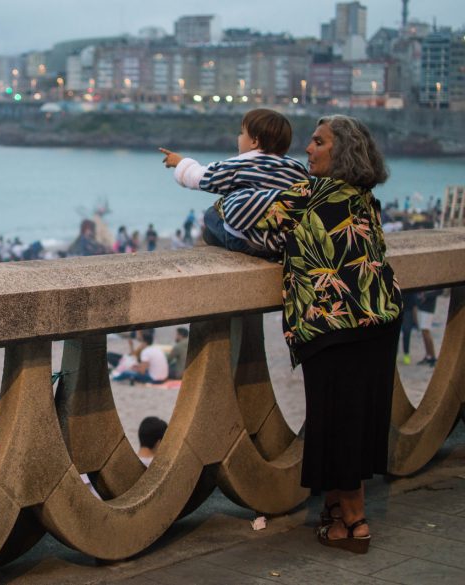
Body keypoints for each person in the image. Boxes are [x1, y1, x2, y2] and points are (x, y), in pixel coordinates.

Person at [228, 115, 402, 554]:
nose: (307, 149)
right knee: (359, 420)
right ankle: (338, 512)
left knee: (334, 420)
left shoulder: (307, 193)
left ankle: (356, 520)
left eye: (317, 142)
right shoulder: (365, 197)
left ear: (339, 151)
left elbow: (240, 217)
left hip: (330, 323)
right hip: (378, 321)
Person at [160, 109, 308, 259]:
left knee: (211, 215)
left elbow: (204, 177)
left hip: (247, 242)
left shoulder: (243, 164)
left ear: (254, 142)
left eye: (241, 133)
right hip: (281, 245)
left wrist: (180, 163)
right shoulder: (296, 168)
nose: (238, 137)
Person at [415, 289, 441, 366]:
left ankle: (433, 357)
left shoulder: (435, 279)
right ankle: (428, 356)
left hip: (429, 307)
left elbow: (439, 291)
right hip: (421, 306)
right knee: (424, 332)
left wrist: (425, 295)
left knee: (426, 331)